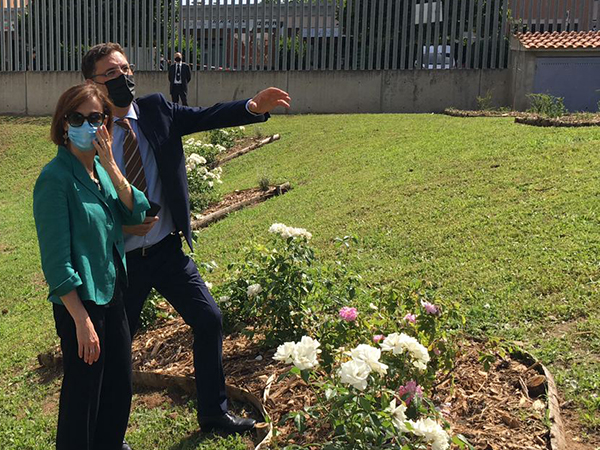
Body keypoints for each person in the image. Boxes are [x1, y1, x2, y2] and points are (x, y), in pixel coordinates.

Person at [80, 42, 291, 438]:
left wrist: (252, 106)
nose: (123, 77)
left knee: (209, 319)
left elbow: (207, 115)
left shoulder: (157, 110)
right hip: (120, 262)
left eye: (125, 68)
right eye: (110, 73)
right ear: (92, 83)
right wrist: (121, 227)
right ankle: (108, 435)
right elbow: (83, 204)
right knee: (115, 351)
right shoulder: (87, 133)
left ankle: (214, 414)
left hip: (166, 251)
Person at [33, 84, 150, 450]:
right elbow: (56, 261)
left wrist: (113, 165)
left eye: (95, 118)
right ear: (63, 124)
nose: (86, 125)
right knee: (84, 396)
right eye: (77, 118)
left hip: (112, 291)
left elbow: (136, 211)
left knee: (119, 385)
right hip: (81, 302)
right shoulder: (55, 178)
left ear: (105, 123)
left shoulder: (101, 169)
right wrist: (82, 321)